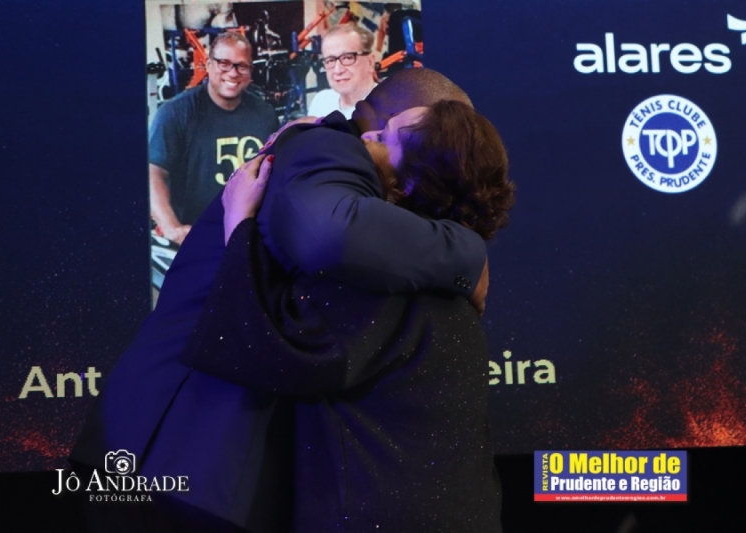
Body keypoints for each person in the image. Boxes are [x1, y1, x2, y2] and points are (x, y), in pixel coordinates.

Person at [71, 68, 491, 532]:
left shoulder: (354, 187)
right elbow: (330, 234)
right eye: (437, 134)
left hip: (179, 455)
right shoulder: (327, 146)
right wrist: (469, 253)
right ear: (394, 119)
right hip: (170, 449)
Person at [182, 98, 514, 532]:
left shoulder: (373, 287)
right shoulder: (454, 286)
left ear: (404, 187)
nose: (366, 135)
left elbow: (266, 346)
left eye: (384, 137)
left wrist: (238, 224)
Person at [149, 32, 279, 245]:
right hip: (195, 238)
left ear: (250, 71)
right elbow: (153, 172)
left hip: (249, 237)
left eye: (242, 66)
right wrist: (172, 227)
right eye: (224, 63)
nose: (233, 73)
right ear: (208, 65)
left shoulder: (265, 114)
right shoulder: (176, 113)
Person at [307, 24, 377, 119]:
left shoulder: (392, 108)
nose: (338, 70)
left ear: (370, 62)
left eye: (347, 58)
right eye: (330, 60)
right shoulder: (321, 103)